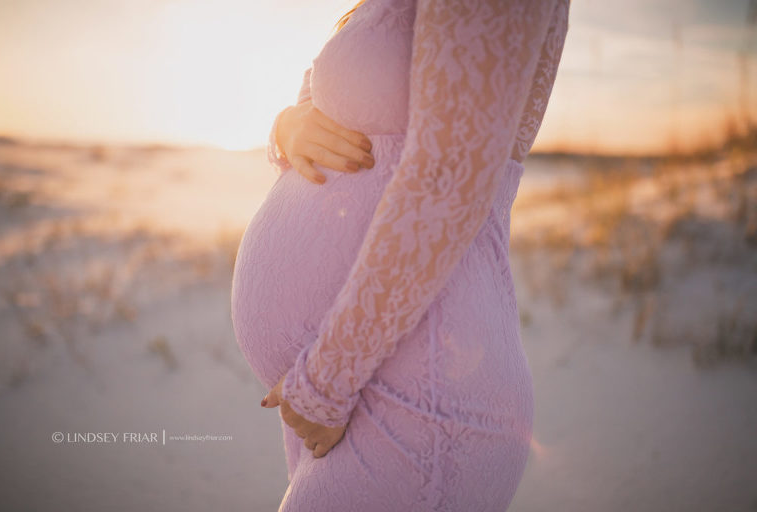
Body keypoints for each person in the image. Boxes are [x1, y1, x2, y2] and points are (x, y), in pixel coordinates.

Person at [230, 0, 569, 510]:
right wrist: (285, 128)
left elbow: (449, 178)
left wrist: (325, 381)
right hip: (350, 387)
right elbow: (323, 109)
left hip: (423, 396)